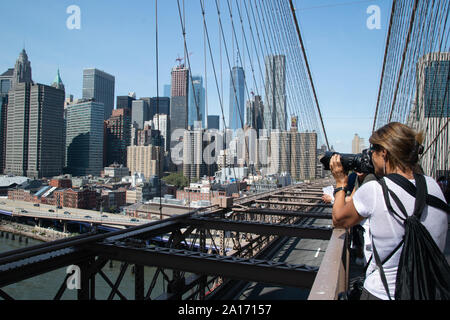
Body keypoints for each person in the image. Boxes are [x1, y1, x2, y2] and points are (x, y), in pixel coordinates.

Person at [329, 122, 448, 300]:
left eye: (373, 151)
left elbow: (338, 219)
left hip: (383, 294)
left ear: (384, 153)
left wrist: (340, 183)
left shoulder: (375, 190)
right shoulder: (435, 187)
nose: (370, 157)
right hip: (429, 290)